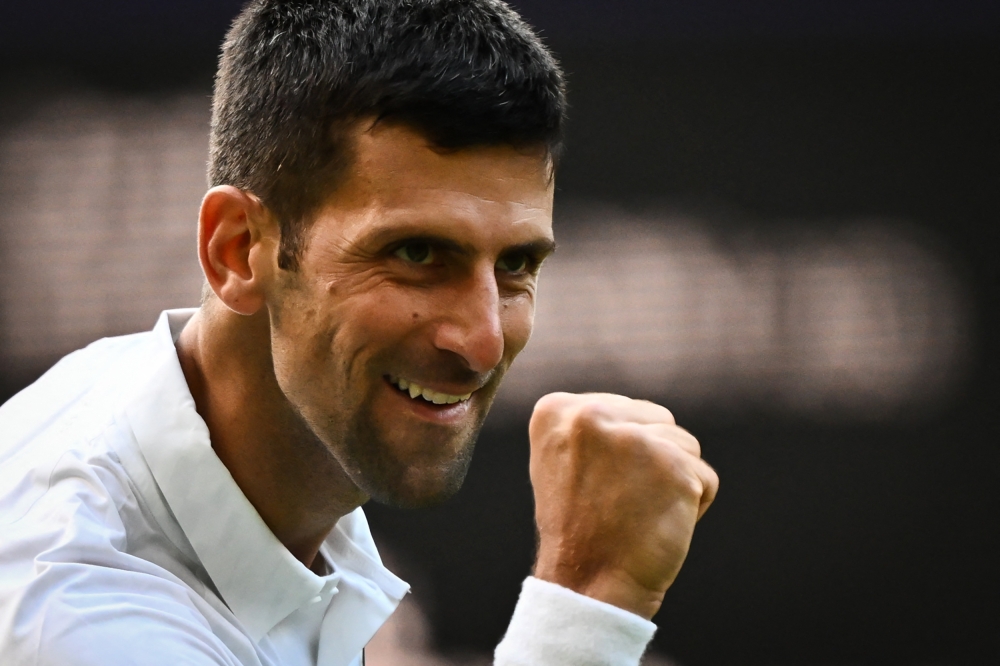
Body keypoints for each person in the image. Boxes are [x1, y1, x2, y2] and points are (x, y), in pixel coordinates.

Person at [0, 1, 719, 664]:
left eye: (517, 264)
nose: (483, 342)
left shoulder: (214, 425)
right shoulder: (82, 619)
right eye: (414, 254)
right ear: (237, 250)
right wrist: (588, 605)